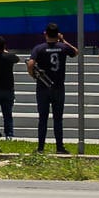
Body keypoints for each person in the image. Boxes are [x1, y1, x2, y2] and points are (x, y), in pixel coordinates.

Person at [27, 23, 75, 154]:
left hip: (43, 86)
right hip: (58, 86)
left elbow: (31, 63)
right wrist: (63, 40)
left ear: (45, 34)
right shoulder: (63, 47)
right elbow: (75, 52)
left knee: (43, 118)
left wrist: (33, 75)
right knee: (58, 118)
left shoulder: (39, 48)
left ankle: (41, 147)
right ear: (58, 34)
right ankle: (59, 147)